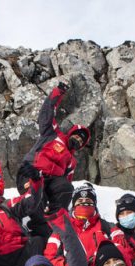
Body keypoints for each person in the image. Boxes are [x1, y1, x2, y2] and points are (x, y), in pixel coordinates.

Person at [17, 82, 91, 236]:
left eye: (81, 140)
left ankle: (54, 220)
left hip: (49, 181)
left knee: (66, 188)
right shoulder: (52, 134)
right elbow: (46, 113)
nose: (77, 139)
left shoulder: (72, 162)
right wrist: (58, 92)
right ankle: (28, 221)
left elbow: (66, 183)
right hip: (30, 171)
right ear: (70, 133)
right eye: (76, 135)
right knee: (39, 195)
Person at [44, 183, 114, 266]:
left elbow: (120, 250)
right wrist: (66, 265)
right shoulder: (62, 228)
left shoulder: (107, 226)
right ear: (74, 205)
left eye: (88, 200)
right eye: (80, 201)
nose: (84, 203)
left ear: (94, 204)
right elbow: (50, 257)